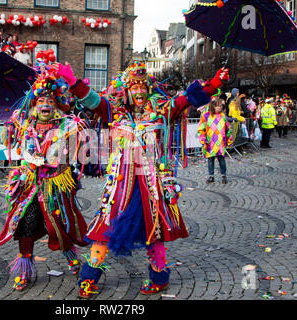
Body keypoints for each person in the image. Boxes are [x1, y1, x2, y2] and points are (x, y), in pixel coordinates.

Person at [54, 60, 229, 298]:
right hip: (120, 183)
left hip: (151, 182)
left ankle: (159, 277)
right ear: (125, 90)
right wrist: (74, 83)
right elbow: (92, 99)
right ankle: (89, 277)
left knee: (153, 228)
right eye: (134, 87)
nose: (139, 91)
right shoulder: (113, 110)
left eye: (143, 86)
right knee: (106, 226)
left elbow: (186, 99)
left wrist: (214, 84)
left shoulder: (160, 110)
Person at [0, 52, 90, 291]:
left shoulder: (67, 125)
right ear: (34, 105)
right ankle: (25, 269)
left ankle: (71, 256)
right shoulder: (24, 124)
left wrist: (74, 139)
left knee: (59, 224)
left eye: (50, 101)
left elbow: (78, 150)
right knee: (25, 225)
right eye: (40, 101)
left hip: (56, 184)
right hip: (29, 183)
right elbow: (7, 136)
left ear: (57, 104)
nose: (45, 105)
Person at [198, 98, 232, 184]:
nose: (220, 108)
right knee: (210, 160)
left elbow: (227, 128)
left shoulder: (223, 116)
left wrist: (229, 140)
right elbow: (201, 128)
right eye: (218, 106)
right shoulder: (205, 116)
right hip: (210, 142)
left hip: (220, 142)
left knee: (221, 159)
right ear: (213, 107)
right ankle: (211, 176)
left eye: (220, 106)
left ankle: (223, 176)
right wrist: (203, 138)